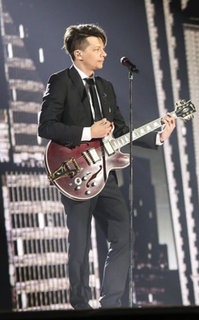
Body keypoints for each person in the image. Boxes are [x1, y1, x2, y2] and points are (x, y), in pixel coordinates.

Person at [37, 24, 176, 309]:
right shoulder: (60, 81)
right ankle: (79, 303)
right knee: (80, 241)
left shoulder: (106, 87)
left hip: (106, 175)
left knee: (124, 234)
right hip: (75, 172)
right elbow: (46, 126)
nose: (104, 54)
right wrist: (89, 132)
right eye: (97, 49)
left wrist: (159, 137)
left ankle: (111, 303)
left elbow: (123, 130)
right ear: (78, 54)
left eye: (104, 48)